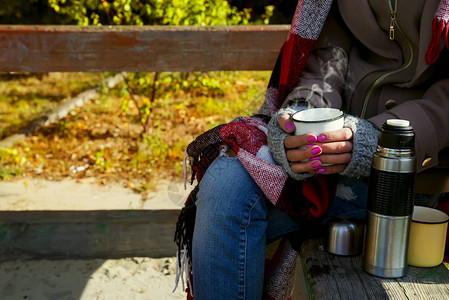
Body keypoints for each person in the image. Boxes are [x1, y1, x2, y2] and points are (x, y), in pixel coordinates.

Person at [174, 0, 449, 299]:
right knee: (226, 181)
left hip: (417, 176)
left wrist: (376, 140)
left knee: (234, 211)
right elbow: (326, 64)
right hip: (330, 152)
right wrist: (300, 112)